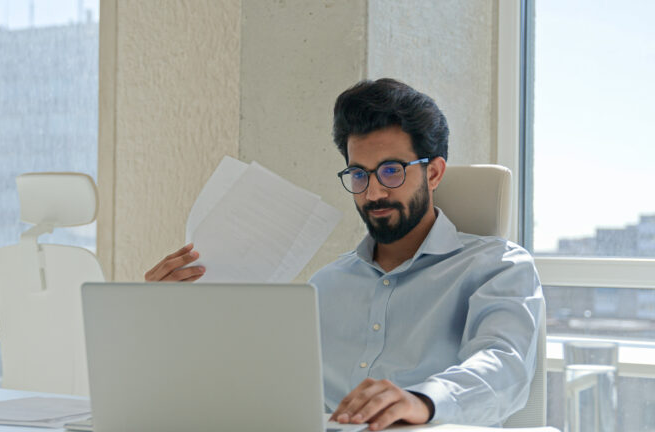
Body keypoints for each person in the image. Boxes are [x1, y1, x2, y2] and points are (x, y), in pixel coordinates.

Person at [144, 78, 544, 430]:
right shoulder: (325, 285)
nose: (373, 193)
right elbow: (252, 387)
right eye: (359, 174)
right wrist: (172, 321)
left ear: (434, 173)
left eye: (391, 171)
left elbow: (503, 367)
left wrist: (422, 401)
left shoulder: (497, 266)